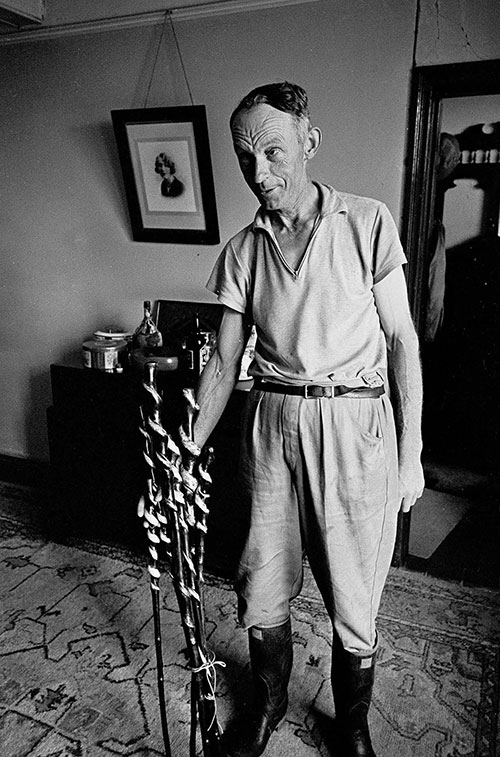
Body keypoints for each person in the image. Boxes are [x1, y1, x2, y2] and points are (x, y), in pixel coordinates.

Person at [190, 82, 424, 757]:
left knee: (355, 596)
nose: (259, 172)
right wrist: (188, 447)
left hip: (353, 425)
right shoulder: (241, 251)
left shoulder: (367, 222)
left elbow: (403, 340)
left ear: (309, 144)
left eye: (273, 151)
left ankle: (349, 723)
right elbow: (224, 362)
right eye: (245, 158)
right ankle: (265, 703)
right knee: (261, 581)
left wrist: (410, 454)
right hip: (269, 424)